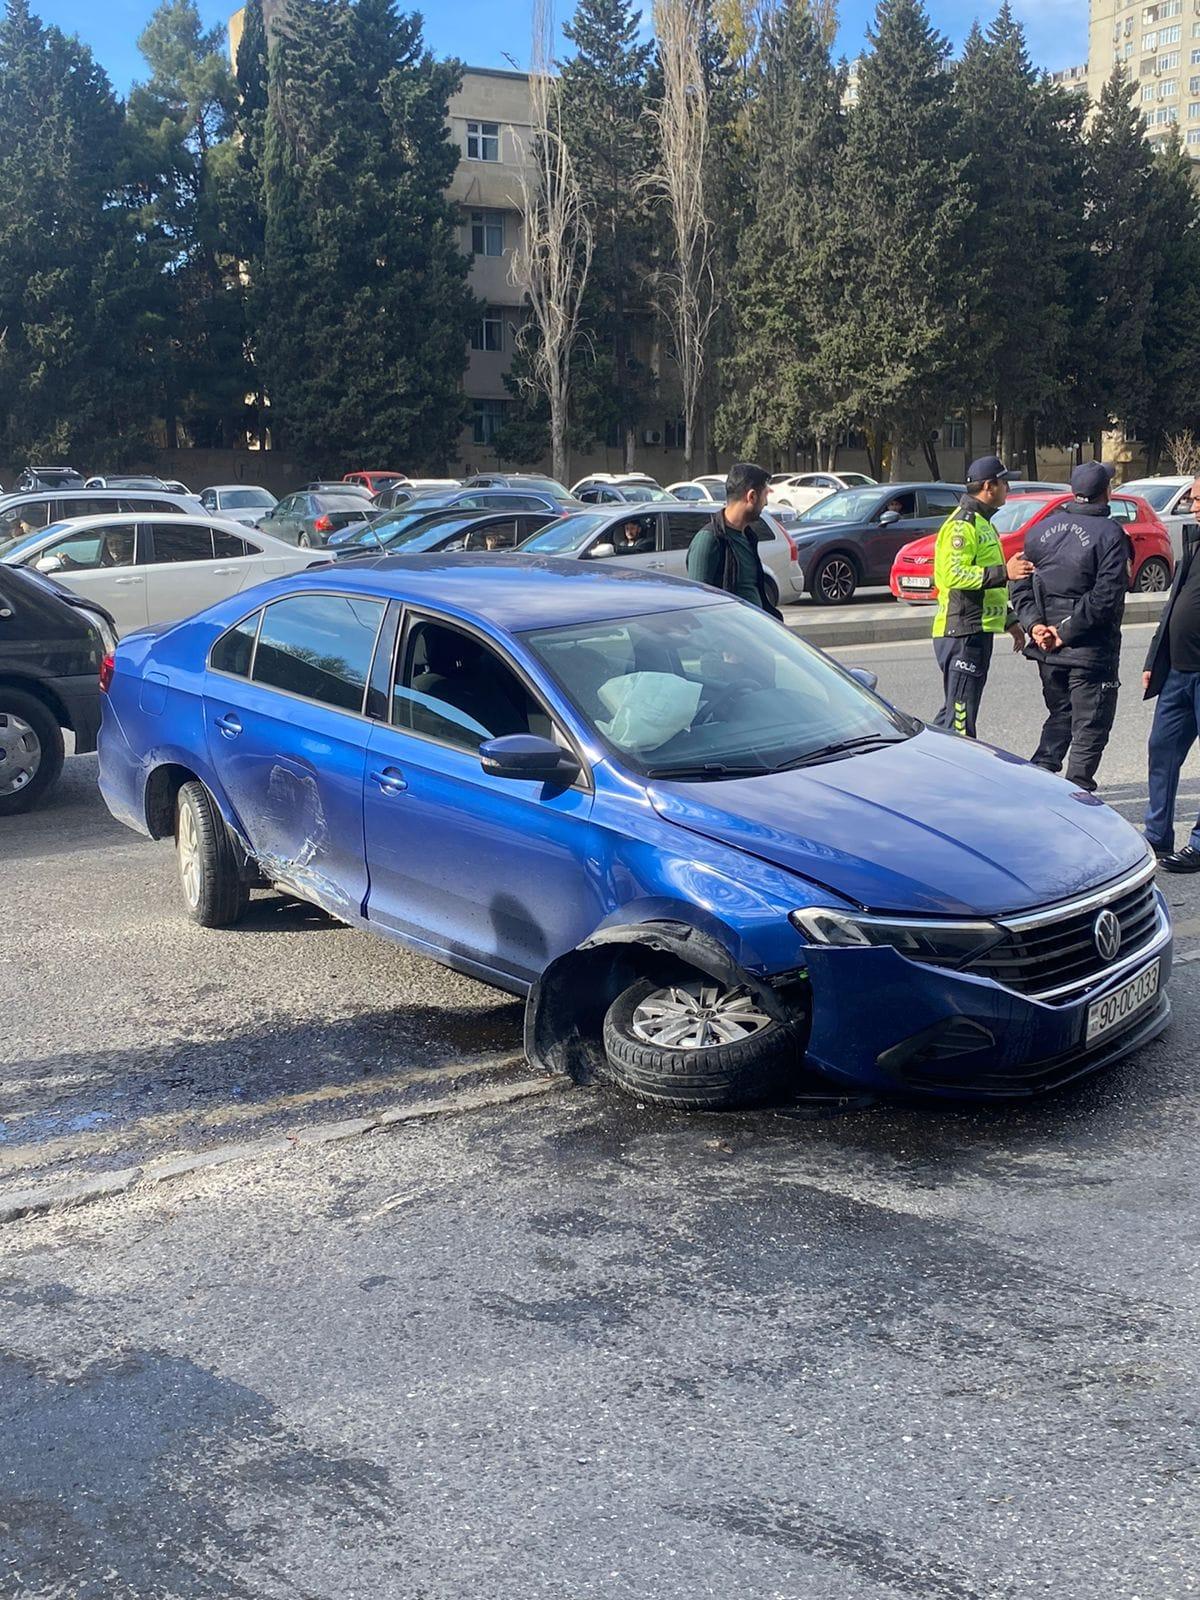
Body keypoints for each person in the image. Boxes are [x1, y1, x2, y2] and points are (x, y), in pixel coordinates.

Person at [1010, 461, 1128, 793]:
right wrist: (1061, 632)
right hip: (1088, 651)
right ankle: (1076, 799)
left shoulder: (1039, 530)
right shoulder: (1111, 535)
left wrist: (1035, 627)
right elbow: (1106, 597)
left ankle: (1036, 787)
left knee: (1060, 716)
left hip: (1048, 651)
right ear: (1106, 492)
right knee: (1090, 727)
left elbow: (1019, 582)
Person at [930, 455, 1030, 737]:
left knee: (953, 714)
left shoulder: (984, 523)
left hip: (978, 629)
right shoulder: (962, 525)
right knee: (961, 723)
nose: (1008, 488)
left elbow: (989, 587)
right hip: (961, 632)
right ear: (989, 486)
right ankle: (957, 778)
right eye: (1005, 482)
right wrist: (1005, 572)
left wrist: (1009, 620)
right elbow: (954, 576)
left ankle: (923, 765)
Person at [1142, 476, 1200, 870]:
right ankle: (1157, 835)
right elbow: (1172, 605)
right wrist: (1153, 660)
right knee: (1161, 749)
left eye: (1198, 500)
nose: (1193, 506)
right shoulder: (1194, 544)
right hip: (1178, 672)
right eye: (1193, 499)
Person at [686, 462, 782, 617]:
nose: (765, 503)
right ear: (751, 496)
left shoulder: (749, 537)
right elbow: (698, 607)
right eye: (765, 495)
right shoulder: (709, 541)